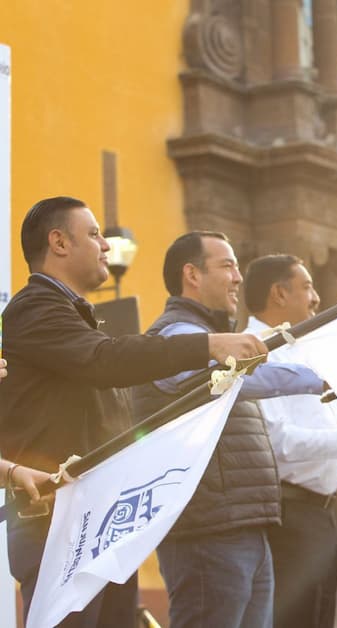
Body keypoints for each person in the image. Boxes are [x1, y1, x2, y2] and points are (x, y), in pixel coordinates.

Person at [0, 196, 265, 627]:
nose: (105, 245)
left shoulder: (68, 313)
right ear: (59, 243)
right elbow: (105, 361)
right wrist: (208, 345)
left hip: (96, 520)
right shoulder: (35, 309)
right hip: (60, 525)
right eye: (93, 234)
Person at [131, 232, 326, 628]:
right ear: (192, 275)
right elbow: (240, 380)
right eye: (227, 265)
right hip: (208, 531)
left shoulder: (215, 339)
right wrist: (323, 376)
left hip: (241, 525)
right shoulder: (178, 337)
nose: (238, 277)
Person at [242, 253, 337, 628]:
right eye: (307, 286)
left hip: (319, 513)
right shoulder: (255, 353)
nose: (316, 297)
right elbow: (275, 443)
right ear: (278, 294)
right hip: (289, 513)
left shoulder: (301, 350)